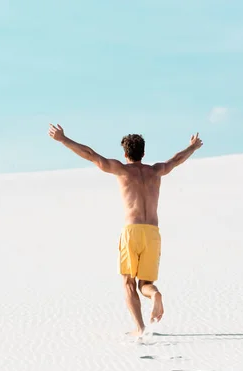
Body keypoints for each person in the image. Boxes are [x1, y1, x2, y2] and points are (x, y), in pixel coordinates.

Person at [48, 123, 203, 336]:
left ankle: (140, 327)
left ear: (124, 153)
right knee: (146, 283)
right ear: (144, 152)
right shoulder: (156, 171)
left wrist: (64, 140)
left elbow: (91, 155)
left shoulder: (121, 170)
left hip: (132, 231)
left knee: (128, 283)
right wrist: (192, 147)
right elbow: (176, 160)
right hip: (152, 233)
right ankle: (155, 294)